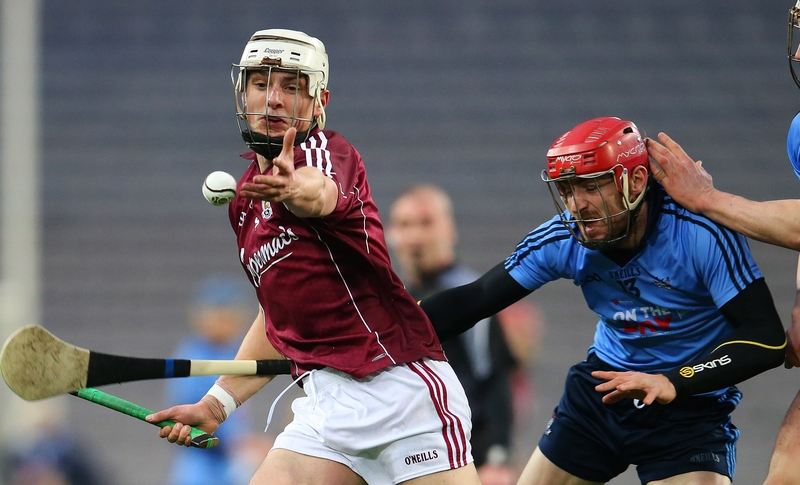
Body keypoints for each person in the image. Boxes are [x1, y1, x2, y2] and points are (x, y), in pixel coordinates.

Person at [146, 29, 481, 485]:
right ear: (242, 93)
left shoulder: (326, 153)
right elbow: (278, 314)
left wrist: (293, 187)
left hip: (398, 391)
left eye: (291, 86)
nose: (274, 99)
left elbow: (317, 192)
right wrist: (215, 404)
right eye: (261, 85)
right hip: (326, 408)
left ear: (317, 101)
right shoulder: (245, 205)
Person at [419, 116, 787, 485]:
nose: (576, 206)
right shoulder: (565, 237)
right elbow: (478, 298)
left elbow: (766, 337)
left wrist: (676, 380)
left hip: (688, 409)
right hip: (601, 394)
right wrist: (385, 327)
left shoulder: (700, 233)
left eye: (590, 187)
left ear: (636, 181)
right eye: (566, 190)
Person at [387, 184, 543, 485]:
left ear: (449, 230)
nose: (416, 236)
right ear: (392, 234)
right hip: (414, 452)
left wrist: (498, 456)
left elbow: (498, 378)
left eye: (426, 222)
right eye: (405, 225)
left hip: (467, 454)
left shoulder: (469, 296)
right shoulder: (397, 300)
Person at [165, 275, 270, 485]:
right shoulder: (192, 358)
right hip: (201, 472)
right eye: (218, 313)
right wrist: (242, 446)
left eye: (230, 313)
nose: (226, 321)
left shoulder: (237, 352)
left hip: (231, 470)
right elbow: (192, 421)